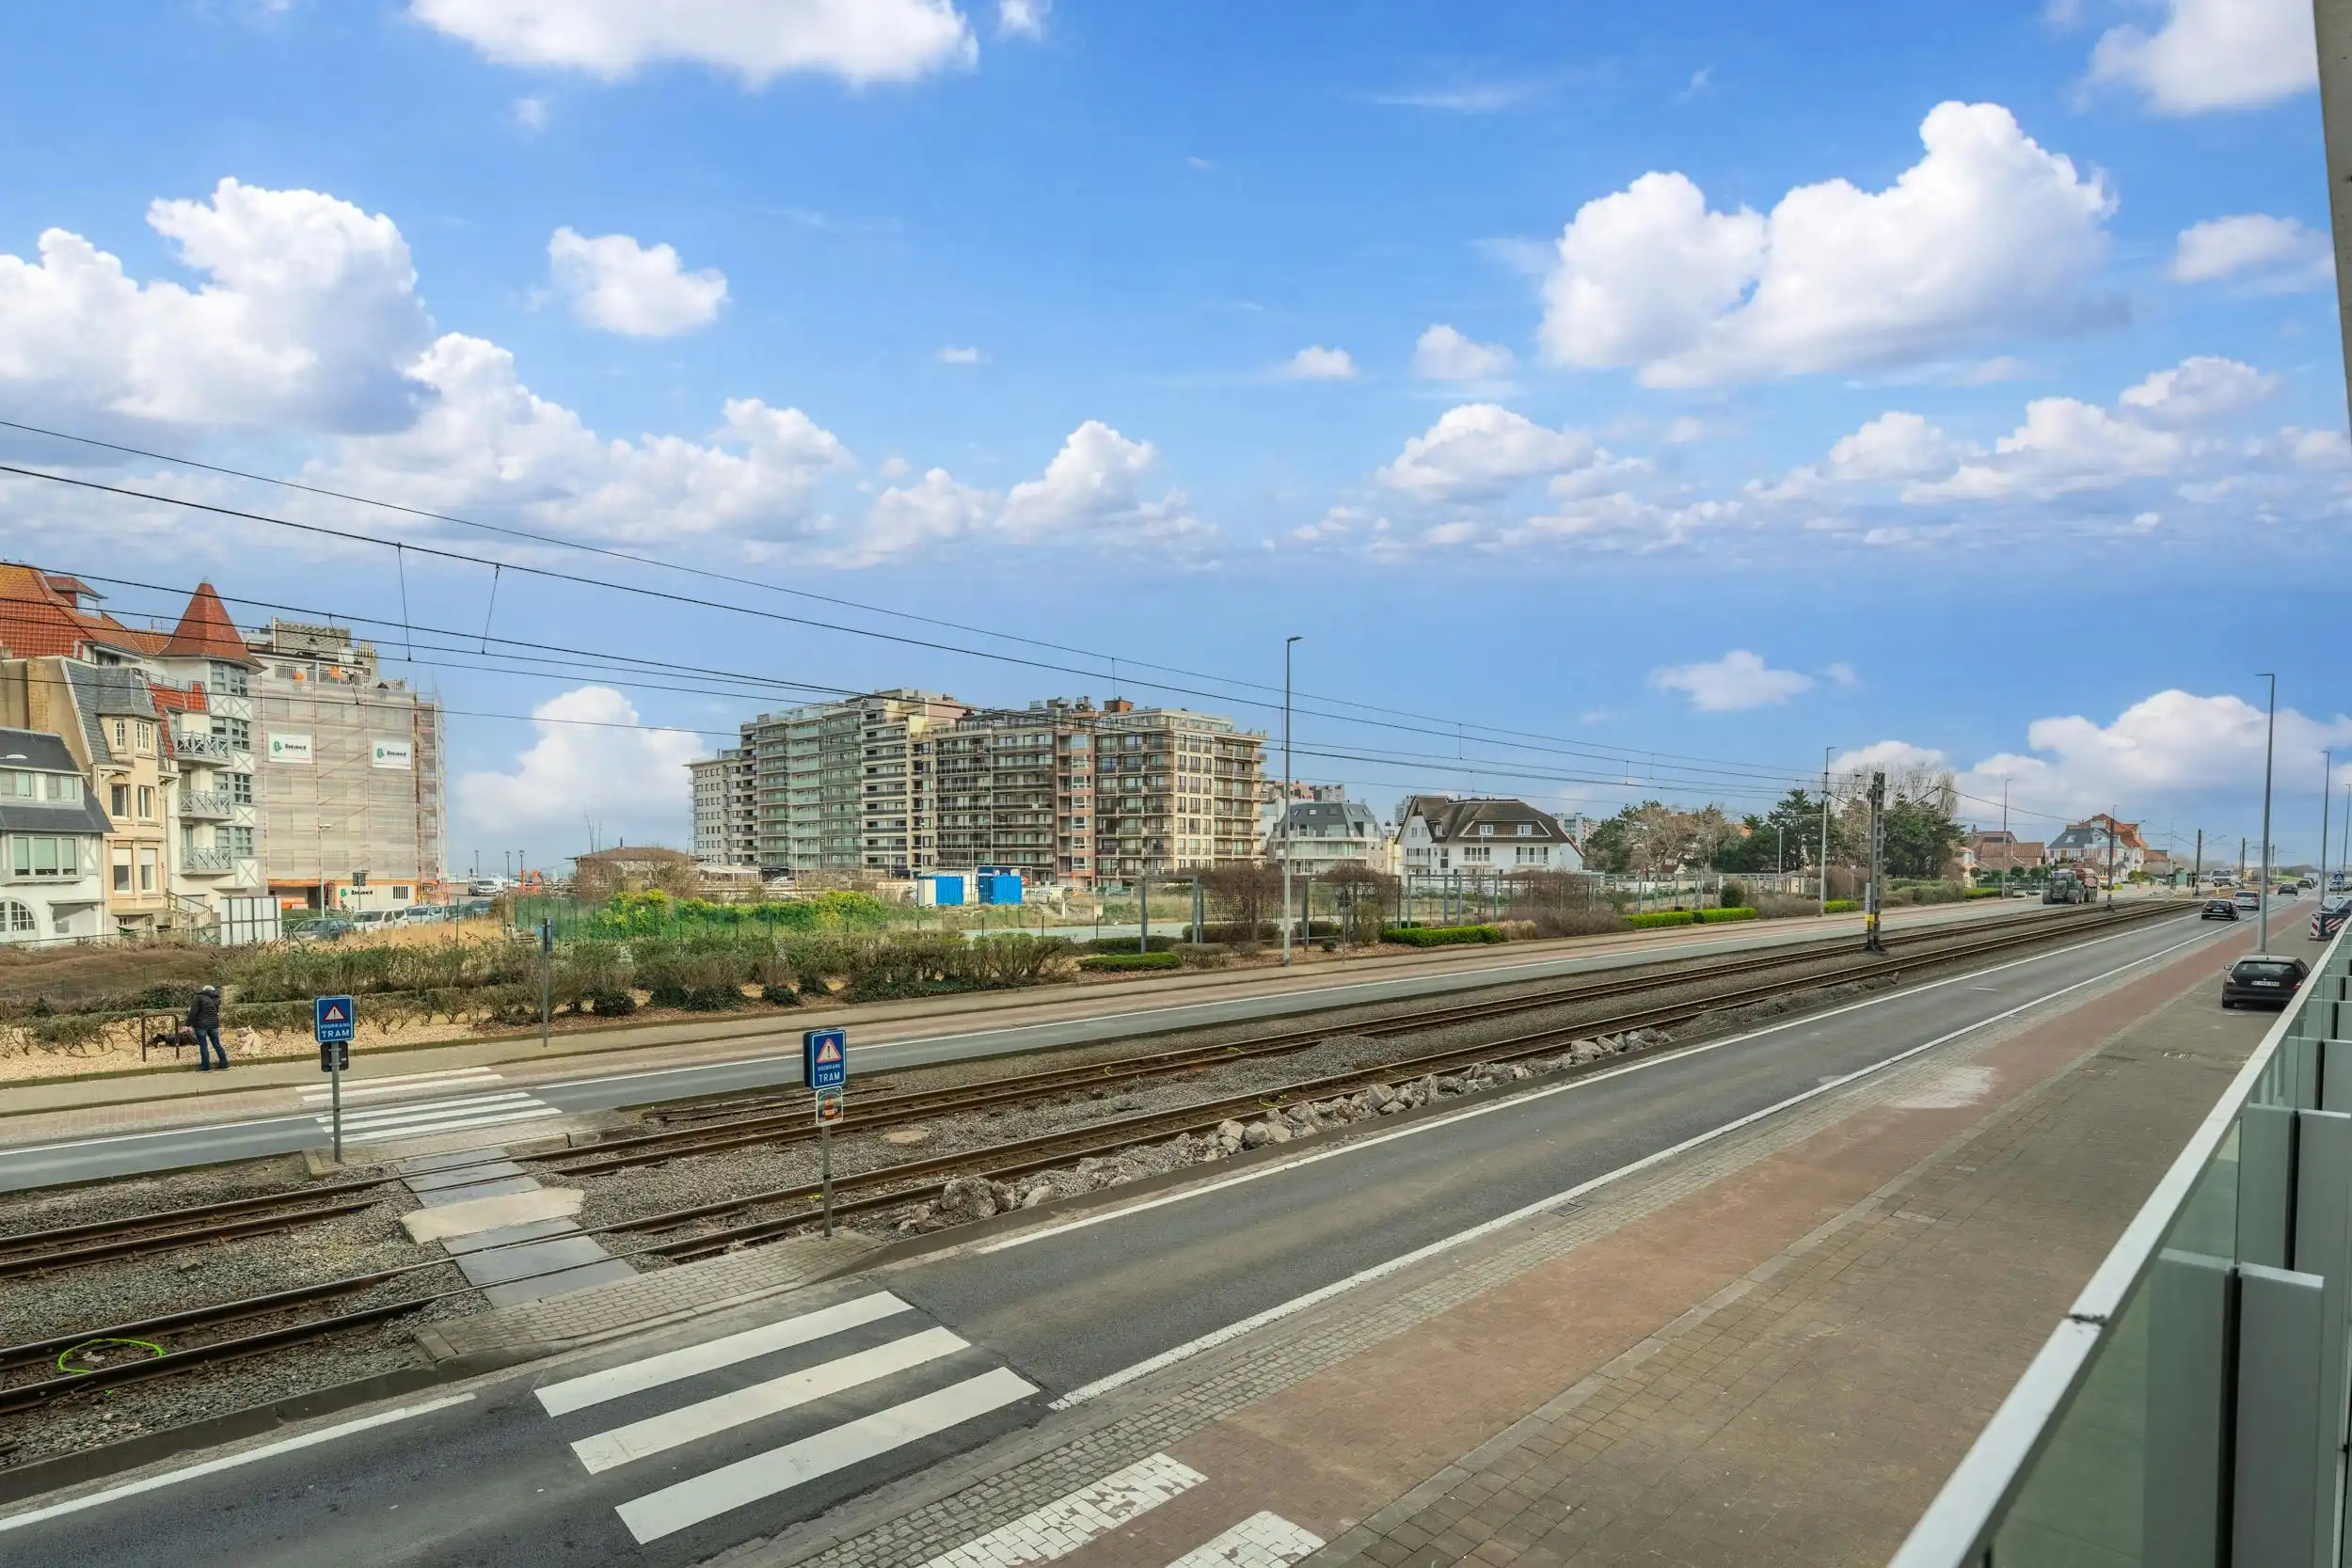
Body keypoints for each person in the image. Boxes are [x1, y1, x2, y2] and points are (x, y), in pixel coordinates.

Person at [187, 984, 227, 1071]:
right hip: (213, 1024)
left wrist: (187, 1024)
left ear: (203, 990)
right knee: (217, 1044)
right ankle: (224, 1064)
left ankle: (205, 1067)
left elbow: (193, 1013)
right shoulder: (217, 999)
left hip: (201, 1025)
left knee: (203, 1045)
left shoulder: (198, 998)